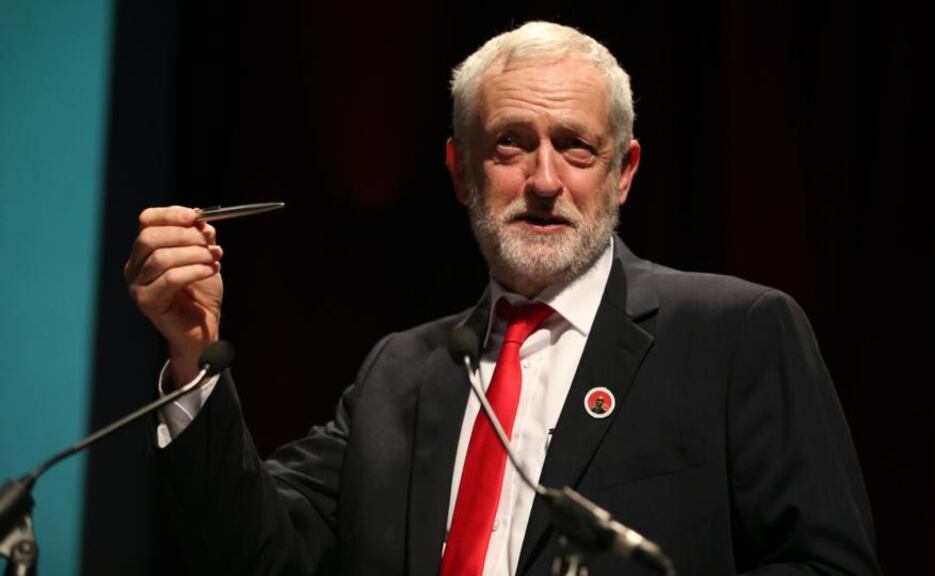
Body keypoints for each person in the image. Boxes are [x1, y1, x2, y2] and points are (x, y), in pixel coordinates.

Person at [124, 21, 882, 576]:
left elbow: (827, 567)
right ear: (460, 171)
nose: (545, 181)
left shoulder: (734, 334)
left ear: (623, 172)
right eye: (511, 144)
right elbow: (256, 553)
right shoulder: (401, 375)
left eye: (576, 146)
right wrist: (193, 355)